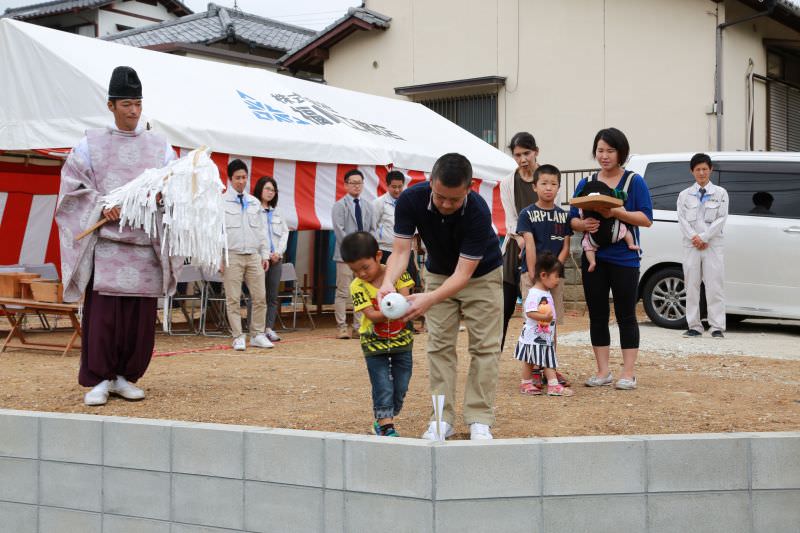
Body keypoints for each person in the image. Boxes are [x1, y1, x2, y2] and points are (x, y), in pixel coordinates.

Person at [56, 66, 181, 406]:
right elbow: (71, 187)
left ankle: (126, 376)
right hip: (108, 247)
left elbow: (173, 187)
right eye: (127, 104)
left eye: (138, 103)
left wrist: (155, 198)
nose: (134, 111)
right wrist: (101, 206)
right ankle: (98, 379)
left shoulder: (159, 147)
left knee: (138, 320)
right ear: (111, 105)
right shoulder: (90, 144)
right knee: (104, 318)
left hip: (145, 247)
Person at [378, 153, 503, 441]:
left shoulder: (479, 211)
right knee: (439, 347)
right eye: (440, 197)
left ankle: (479, 419)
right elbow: (400, 251)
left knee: (485, 347)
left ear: (469, 188)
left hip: (480, 276)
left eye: (454, 200)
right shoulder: (410, 200)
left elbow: (463, 275)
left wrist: (429, 298)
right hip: (438, 272)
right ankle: (440, 419)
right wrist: (387, 282)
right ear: (430, 182)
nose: (446, 205)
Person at [569, 128, 653, 390]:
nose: (604, 156)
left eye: (610, 150)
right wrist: (584, 225)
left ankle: (628, 373)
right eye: (600, 150)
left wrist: (615, 211)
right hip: (595, 257)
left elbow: (646, 219)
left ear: (621, 153)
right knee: (597, 314)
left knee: (626, 314)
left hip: (625, 259)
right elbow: (572, 217)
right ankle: (603, 371)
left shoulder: (633, 181)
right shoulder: (586, 183)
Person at [342, 231, 414, 437]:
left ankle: (387, 414)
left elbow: (406, 299)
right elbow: (372, 316)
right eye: (355, 271)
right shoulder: (357, 286)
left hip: (402, 342)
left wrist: (398, 306)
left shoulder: (398, 273)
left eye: (365, 267)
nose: (362, 274)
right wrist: (393, 309)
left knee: (401, 385)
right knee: (382, 384)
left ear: (378, 256)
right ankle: (385, 426)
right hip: (373, 344)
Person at [515, 164, 572, 392]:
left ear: (558, 187)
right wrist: (533, 273)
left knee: (551, 323)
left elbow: (565, 247)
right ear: (535, 186)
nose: (549, 188)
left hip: (554, 279)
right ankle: (533, 371)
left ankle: (550, 364)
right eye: (544, 183)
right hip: (532, 277)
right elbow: (529, 243)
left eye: (553, 184)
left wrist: (553, 274)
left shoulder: (562, 215)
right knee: (533, 323)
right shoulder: (526, 213)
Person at [221, 159, 273, 351]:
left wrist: (265, 255)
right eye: (237, 178)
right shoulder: (221, 202)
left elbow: (262, 231)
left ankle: (258, 334)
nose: (241, 181)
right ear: (230, 179)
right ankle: (237, 336)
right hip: (232, 255)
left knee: (260, 297)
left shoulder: (254, 202)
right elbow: (218, 233)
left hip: (253, 256)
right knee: (233, 298)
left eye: (244, 177)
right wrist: (219, 257)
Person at [677, 153, 729, 339]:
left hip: (713, 245)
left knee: (715, 284)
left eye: (704, 169)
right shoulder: (684, 195)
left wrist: (705, 237)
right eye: (698, 169)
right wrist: (695, 238)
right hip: (692, 245)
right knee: (691, 285)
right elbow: (682, 220)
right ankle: (694, 325)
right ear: (692, 171)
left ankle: (716, 326)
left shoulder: (720, 193)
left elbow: (721, 218)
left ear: (711, 170)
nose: (701, 173)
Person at [499, 132, 539, 349]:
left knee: (538, 311)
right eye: (517, 155)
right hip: (516, 248)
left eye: (527, 153)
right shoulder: (507, 182)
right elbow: (510, 221)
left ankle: (538, 364)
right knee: (504, 308)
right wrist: (524, 240)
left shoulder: (547, 177)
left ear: (536, 152)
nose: (523, 159)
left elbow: (555, 213)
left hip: (542, 250)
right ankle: (492, 361)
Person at [514, 252, 573, 397]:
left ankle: (536, 384)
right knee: (535, 360)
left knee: (540, 359)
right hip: (534, 336)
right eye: (556, 276)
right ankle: (540, 384)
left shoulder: (545, 292)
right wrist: (545, 317)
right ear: (543, 275)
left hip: (543, 335)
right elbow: (530, 312)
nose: (558, 280)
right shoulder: (535, 293)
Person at [331, 169, 376, 339]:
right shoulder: (339, 205)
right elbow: (339, 231)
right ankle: (341, 326)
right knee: (343, 291)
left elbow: (372, 229)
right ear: (345, 185)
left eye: (359, 183)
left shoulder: (368, 206)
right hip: (345, 255)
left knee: (361, 290)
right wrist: (354, 249)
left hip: (363, 257)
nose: (356, 186)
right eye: (353, 183)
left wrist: (366, 250)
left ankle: (359, 326)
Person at [575, 179, 640, 272]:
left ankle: (630, 244)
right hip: (611, 232)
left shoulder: (585, 207)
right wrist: (583, 224)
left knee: (587, 245)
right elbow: (576, 218)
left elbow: (623, 210)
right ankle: (593, 262)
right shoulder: (609, 201)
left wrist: (613, 212)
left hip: (605, 234)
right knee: (624, 230)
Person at [254, 176, 289, 342]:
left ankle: (269, 327)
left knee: (272, 295)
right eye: (267, 189)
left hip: (276, 259)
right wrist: (264, 254)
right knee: (258, 295)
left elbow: (285, 233)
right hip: (260, 259)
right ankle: (256, 329)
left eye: (273, 190)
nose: (270, 192)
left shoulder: (278, 212)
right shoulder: (253, 210)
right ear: (260, 189)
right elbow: (255, 235)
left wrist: (279, 253)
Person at [373, 170, 419, 284]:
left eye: (400, 186)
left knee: (408, 282)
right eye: (394, 187)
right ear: (387, 185)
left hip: (406, 250)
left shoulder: (409, 202)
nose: (397, 190)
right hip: (385, 250)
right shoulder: (379, 203)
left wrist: (415, 247)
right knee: (387, 282)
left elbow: (415, 225)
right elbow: (371, 227)